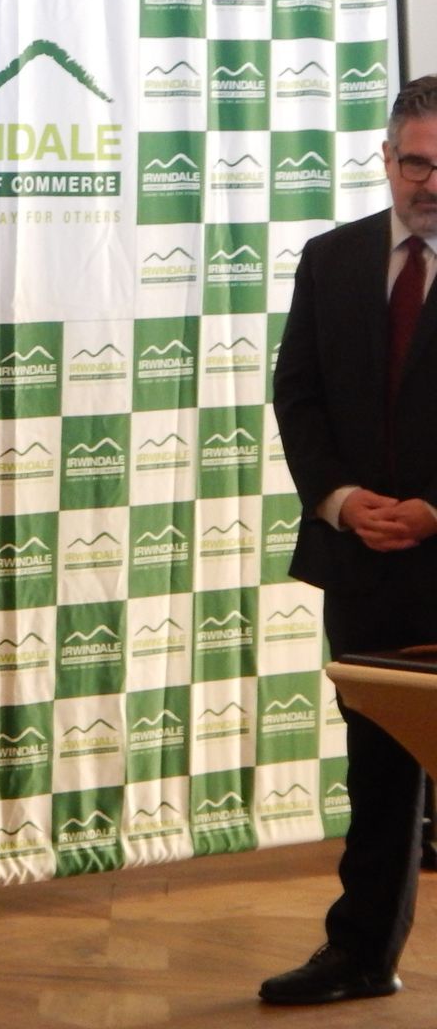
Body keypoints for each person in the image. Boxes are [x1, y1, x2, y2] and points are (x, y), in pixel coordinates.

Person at [264, 73, 437, 1005]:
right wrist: (338, 499)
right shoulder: (330, 260)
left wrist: (435, 509)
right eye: (416, 161)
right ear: (386, 157)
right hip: (362, 560)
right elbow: (298, 396)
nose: (431, 182)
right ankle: (362, 955)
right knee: (378, 772)